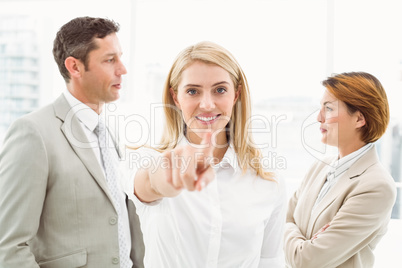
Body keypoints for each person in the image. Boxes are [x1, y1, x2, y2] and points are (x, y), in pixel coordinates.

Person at [122, 41, 287, 267]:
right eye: (192, 91)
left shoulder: (269, 178)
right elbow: (149, 183)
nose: (207, 104)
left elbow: (270, 262)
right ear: (176, 97)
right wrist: (169, 176)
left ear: (236, 94)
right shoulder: (146, 159)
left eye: (220, 90)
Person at [0, 17, 144, 267]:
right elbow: (10, 246)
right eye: (110, 60)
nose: (122, 69)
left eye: (120, 57)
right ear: (75, 67)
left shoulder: (108, 134)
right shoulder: (33, 133)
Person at [284, 72, 397, 268]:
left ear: (359, 119)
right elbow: (282, 218)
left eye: (328, 109)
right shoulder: (319, 167)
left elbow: (307, 260)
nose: (319, 118)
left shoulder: (377, 186)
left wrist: (288, 231)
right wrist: (295, 234)